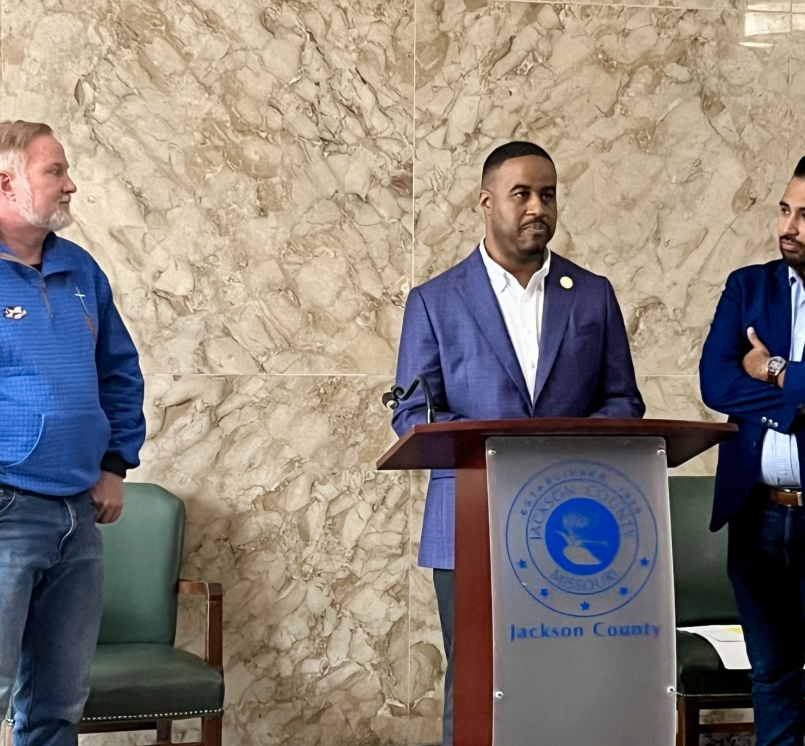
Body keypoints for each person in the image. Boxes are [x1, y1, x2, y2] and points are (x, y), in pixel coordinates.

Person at [390, 140, 644, 745]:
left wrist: (567, 443)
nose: (538, 207)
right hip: (467, 524)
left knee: (569, 680)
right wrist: (499, 445)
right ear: (486, 203)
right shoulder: (435, 301)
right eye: (522, 193)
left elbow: (624, 401)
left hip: (572, 523)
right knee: (475, 680)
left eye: (548, 195)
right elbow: (411, 414)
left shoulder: (591, 294)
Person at [0, 121, 145, 746]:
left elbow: (118, 370)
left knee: (59, 705)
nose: (71, 184)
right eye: (54, 171)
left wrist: (115, 464)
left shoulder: (81, 268)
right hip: (7, 508)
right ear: (6, 182)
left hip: (77, 515)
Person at [700, 157, 805, 746]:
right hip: (755, 513)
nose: (787, 226)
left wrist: (772, 369)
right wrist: (795, 397)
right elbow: (716, 383)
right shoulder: (749, 286)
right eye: (785, 209)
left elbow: (747, 378)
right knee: (772, 677)